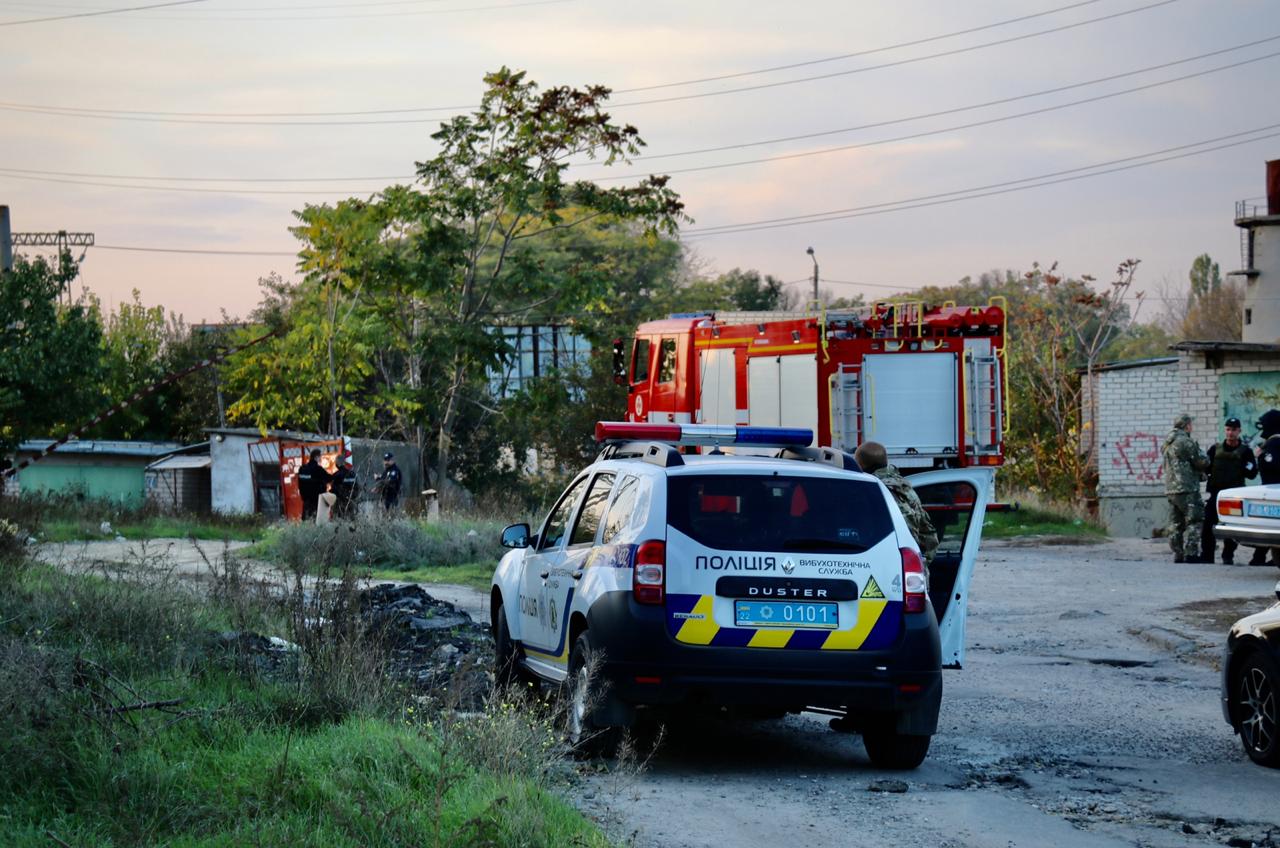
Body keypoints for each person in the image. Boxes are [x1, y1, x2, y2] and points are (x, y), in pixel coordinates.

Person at [852, 440, 939, 563]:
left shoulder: (869, 491)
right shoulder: (904, 488)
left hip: (882, 565)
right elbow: (928, 534)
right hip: (910, 568)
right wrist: (921, 565)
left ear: (860, 464)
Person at [1201, 417, 1257, 565]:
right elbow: (1206, 468)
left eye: (1233, 430)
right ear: (1225, 430)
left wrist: (1244, 467)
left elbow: (1252, 474)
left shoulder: (1245, 452)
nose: (1230, 433)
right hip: (1216, 494)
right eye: (1228, 429)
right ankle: (1207, 557)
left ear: (1239, 431)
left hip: (1234, 496)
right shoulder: (1215, 449)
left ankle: (1228, 555)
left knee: (1232, 527)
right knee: (1208, 525)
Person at [1162, 414, 1210, 563]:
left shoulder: (1167, 442)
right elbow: (1201, 461)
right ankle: (1191, 553)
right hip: (1187, 487)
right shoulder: (1185, 441)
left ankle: (1178, 553)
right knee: (1194, 519)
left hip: (1171, 488)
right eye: (1191, 424)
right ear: (1187, 425)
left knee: (1176, 523)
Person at [1248, 409, 1280, 565]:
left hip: (1273, 490)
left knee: (1271, 525)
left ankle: (1260, 557)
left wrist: (1260, 455)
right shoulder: (1273, 442)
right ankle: (1259, 557)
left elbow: (1271, 464)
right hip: (1271, 490)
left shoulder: (1274, 443)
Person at [296, 448, 333, 521]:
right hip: (316, 501)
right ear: (316, 457)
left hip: (306, 500)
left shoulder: (302, 469)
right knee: (316, 520)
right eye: (320, 457)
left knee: (306, 520)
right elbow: (329, 478)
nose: (321, 458)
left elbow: (300, 484)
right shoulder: (318, 469)